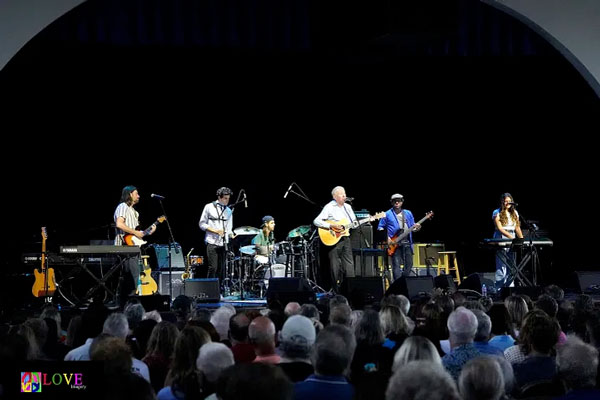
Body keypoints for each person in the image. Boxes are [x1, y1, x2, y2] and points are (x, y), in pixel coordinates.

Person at [114, 185, 156, 304]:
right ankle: (128, 303)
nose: (139, 196)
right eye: (136, 193)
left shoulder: (135, 213)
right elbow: (120, 224)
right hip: (124, 247)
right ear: (130, 195)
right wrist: (136, 232)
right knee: (131, 277)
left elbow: (136, 234)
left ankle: (129, 302)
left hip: (133, 247)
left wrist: (147, 232)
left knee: (133, 276)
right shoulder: (123, 207)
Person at [313, 186, 356, 292]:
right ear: (335, 197)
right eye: (341, 194)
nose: (344, 196)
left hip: (346, 238)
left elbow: (354, 223)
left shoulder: (348, 207)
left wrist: (358, 223)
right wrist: (331, 226)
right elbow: (316, 221)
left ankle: (350, 289)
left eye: (345, 193)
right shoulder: (329, 207)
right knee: (334, 266)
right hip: (333, 240)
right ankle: (335, 291)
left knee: (349, 264)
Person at [378, 194, 420, 280]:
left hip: (407, 241)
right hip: (394, 243)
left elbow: (413, 227)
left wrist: (417, 228)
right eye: (394, 201)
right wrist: (387, 239)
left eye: (399, 200)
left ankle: (403, 281)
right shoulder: (386, 214)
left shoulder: (408, 213)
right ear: (391, 202)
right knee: (396, 265)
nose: (397, 202)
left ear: (402, 201)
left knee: (409, 264)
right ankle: (397, 285)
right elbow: (380, 227)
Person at [199, 187, 234, 280]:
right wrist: (216, 231)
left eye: (228, 198)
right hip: (212, 242)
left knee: (221, 269)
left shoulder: (229, 211)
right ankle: (209, 289)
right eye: (225, 198)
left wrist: (231, 235)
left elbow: (229, 228)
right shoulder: (209, 207)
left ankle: (219, 291)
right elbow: (201, 224)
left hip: (223, 244)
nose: (227, 201)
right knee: (213, 268)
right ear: (219, 197)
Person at [492, 192, 523, 288]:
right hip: (501, 236)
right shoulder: (496, 212)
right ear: (502, 202)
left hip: (512, 235)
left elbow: (517, 228)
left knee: (512, 264)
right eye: (506, 201)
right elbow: (500, 228)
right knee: (502, 265)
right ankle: (500, 288)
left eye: (510, 201)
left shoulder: (515, 213)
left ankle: (510, 287)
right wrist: (512, 238)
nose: (508, 203)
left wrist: (521, 239)